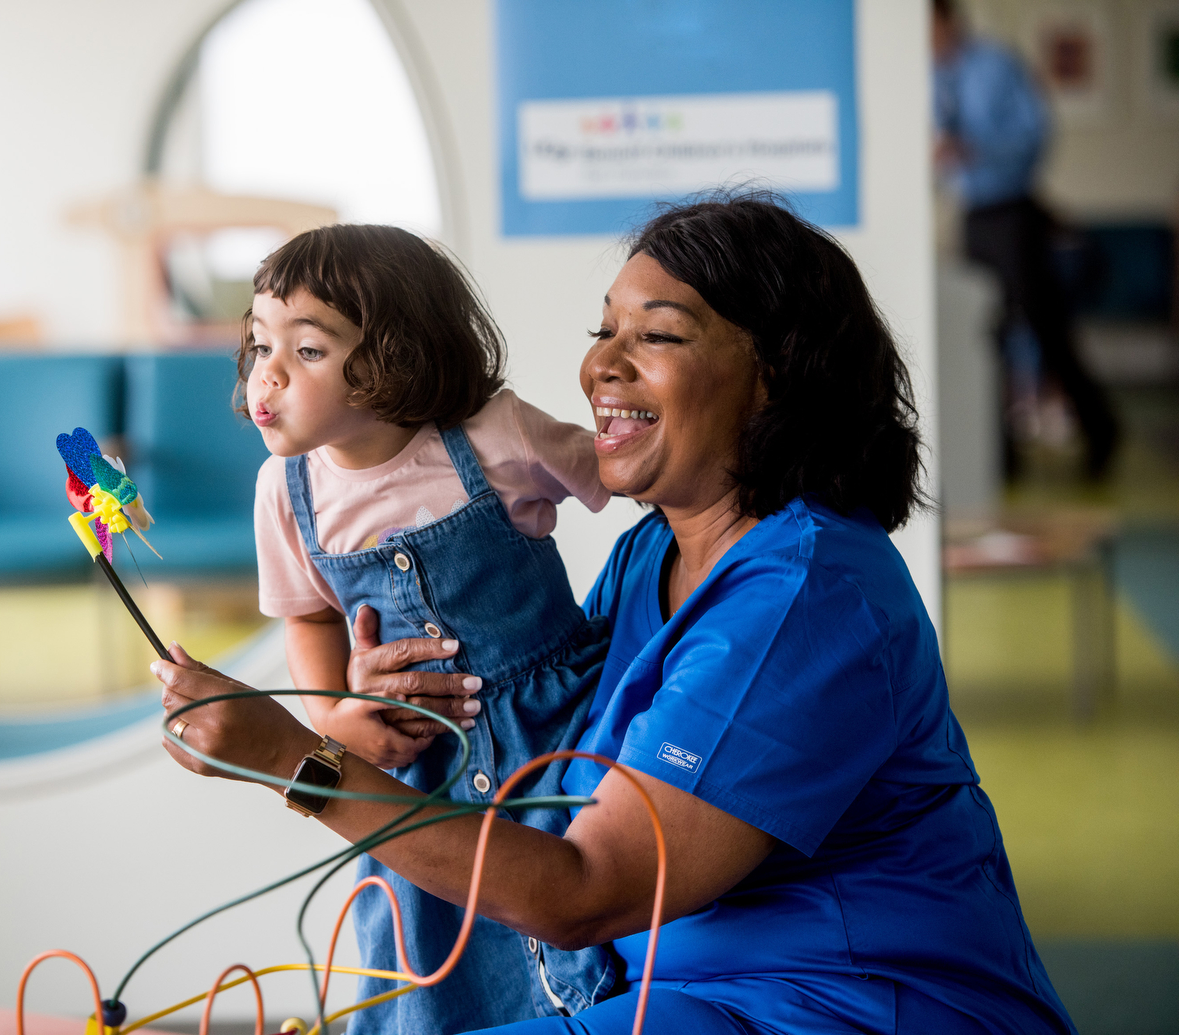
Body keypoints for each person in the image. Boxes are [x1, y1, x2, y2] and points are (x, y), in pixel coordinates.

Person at [158, 197, 1076, 1034]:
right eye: (605, 329)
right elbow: (560, 755)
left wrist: (298, 760)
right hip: (666, 990)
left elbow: (585, 889)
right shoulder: (656, 554)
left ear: (775, 376)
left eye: (659, 336)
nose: (602, 363)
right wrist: (373, 698)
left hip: (839, 1000)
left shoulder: (803, 595)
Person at [240, 223, 616, 1033]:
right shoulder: (286, 489)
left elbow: (626, 474)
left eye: (306, 351)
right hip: (423, 780)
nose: (265, 375)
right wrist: (334, 716)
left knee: (586, 942)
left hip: (558, 742)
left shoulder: (496, 435)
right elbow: (308, 614)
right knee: (426, 972)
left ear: (390, 358)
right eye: (258, 343)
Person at [932, 0, 1120, 479]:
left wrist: (979, 149)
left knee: (1043, 326)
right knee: (985, 331)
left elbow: (1036, 135)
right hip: (972, 215)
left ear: (946, 20)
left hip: (1014, 213)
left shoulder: (996, 65)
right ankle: (999, 451)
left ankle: (1101, 430)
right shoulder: (932, 78)